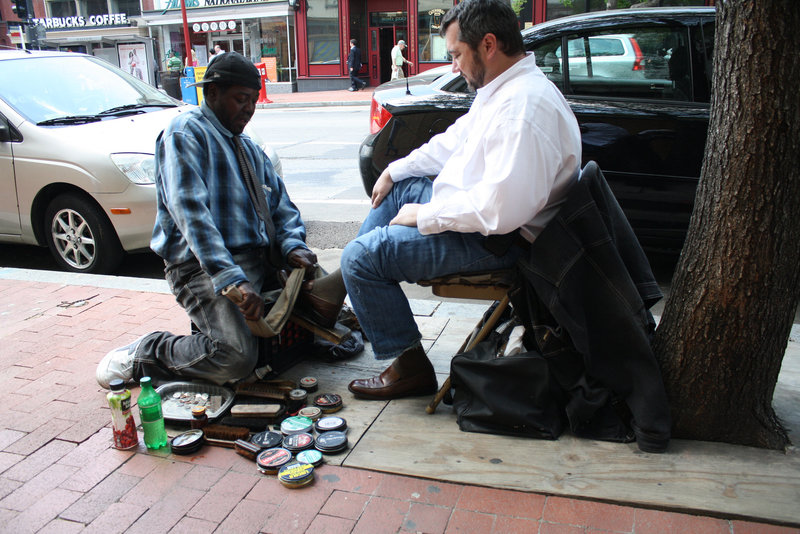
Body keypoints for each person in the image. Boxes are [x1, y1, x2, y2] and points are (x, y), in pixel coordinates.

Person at [339, 0, 582, 400]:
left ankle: (409, 365)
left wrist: (426, 215)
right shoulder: (504, 88)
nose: (453, 67)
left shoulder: (522, 107)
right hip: (472, 213)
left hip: (493, 240)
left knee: (359, 260)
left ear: (488, 44)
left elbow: (499, 212)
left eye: (455, 55)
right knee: (397, 188)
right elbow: (452, 142)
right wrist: (394, 170)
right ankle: (340, 292)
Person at [96, 52, 345, 389]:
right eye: (241, 99)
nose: (249, 108)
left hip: (258, 261)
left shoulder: (249, 149)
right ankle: (146, 353)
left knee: (330, 314)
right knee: (235, 359)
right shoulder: (185, 134)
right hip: (201, 268)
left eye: (254, 100)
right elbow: (191, 215)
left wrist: (292, 246)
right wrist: (231, 280)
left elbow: (283, 209)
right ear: (211, 93)